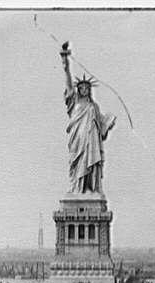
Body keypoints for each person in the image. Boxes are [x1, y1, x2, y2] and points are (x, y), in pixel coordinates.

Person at [60, 44, 116, 194]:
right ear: (78, 89)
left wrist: (108, 123)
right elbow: (68, 82)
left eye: (87, 88)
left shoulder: (94, 106)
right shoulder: (74, 103)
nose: (84, 90)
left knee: (91, 160)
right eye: (82, 87)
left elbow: (101, 127)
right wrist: (65, 61)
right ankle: (77, 189)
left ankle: (90, 188)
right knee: (78, 162)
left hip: (91, 139)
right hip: (78, 138)